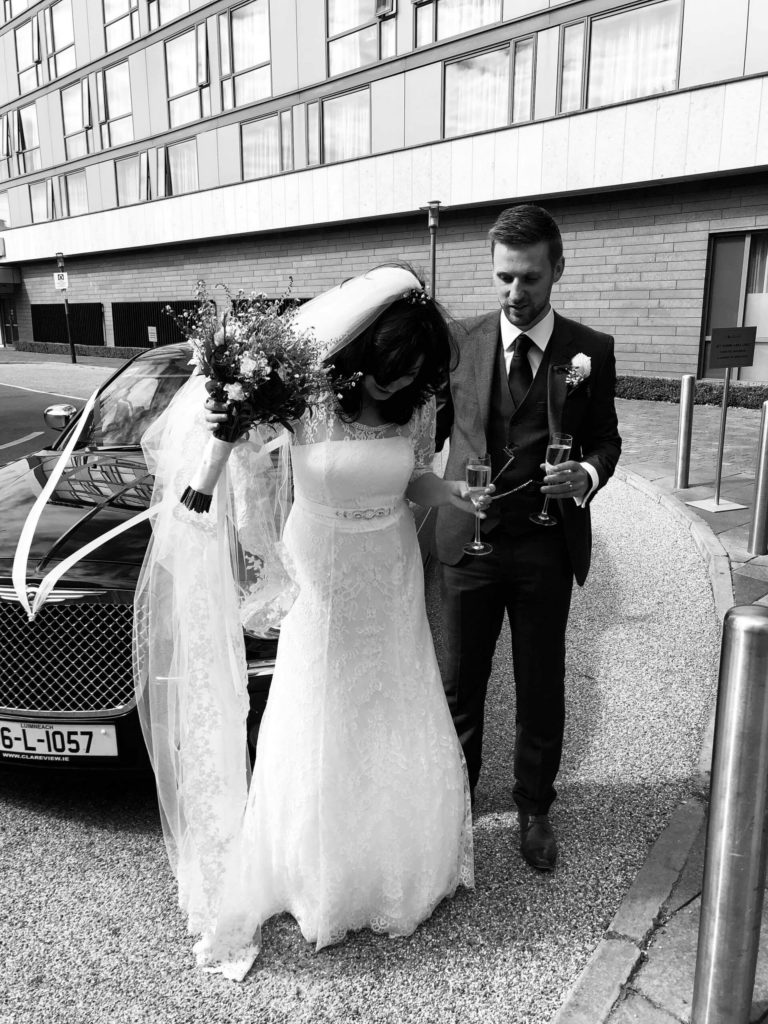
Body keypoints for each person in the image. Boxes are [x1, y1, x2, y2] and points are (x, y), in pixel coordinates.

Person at [134, 265, 480, 981]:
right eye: (393, 367)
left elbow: (411, 473)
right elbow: (240, 454)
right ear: (366, 354)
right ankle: (317, 870)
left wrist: (444, 492)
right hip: (321, 566)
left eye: (416, 371)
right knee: (321, 706)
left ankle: (397, 860)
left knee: (394, 697)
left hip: (390, 564)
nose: (403, 381)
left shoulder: (416, 407)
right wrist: (216, 458)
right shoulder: (308, 398)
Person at [435, 204, 622, 872]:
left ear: (557, 270)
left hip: (546, 545)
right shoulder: (461, 341)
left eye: (529, 279)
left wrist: (588, 473)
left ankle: (534, 809)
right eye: (504, 278)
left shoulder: (588, 350)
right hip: (469, 545)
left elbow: (606, 437)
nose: (515, 293)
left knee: (540, 684)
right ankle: (453, 806)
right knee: (460, 685)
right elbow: (426, 431)